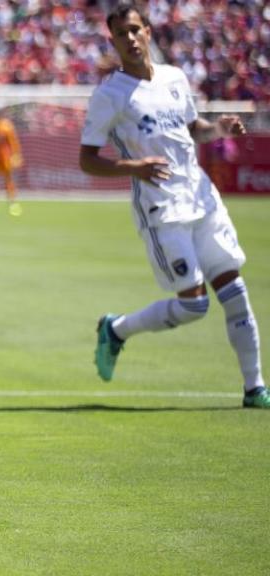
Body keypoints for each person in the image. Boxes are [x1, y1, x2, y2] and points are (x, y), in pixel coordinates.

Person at [79, 3, 267, 408]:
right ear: (112, 41)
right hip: (161, 209)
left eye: (134, 30)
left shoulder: (174, 78)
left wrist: (218, 128)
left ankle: (255, 388)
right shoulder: (109, 95)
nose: (129, 39)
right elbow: (87, 159)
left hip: (201, 197)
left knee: (235, 290)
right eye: (120, 34)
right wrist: (135, 168)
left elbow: (191, 127)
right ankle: (117, 330)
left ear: (148, 31)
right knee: (195, 304)